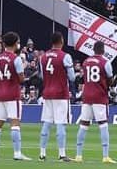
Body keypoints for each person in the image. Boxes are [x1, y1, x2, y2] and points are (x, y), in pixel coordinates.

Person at [75, 39, 116, 164]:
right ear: (103, 50)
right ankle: (105, 156)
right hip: (99, 96)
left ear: (93, 50)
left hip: (87, 95)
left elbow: (84, 78)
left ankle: (78, 155)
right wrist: (110, 82)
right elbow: (110, 81)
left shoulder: (86, 62)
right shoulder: (105, 62)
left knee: (83, 124)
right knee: (103, 124)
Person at [0, 31, 29, 161]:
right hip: (13, 94)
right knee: (15, 123)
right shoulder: (16, 59)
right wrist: (24, 68)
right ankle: (17, 153)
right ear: (15, 43)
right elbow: (21, 79)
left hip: (1, 94)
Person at [38, 31, 76, 162]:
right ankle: (61, 154)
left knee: (47, 122)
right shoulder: (65, 56)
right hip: (60, 93)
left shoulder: (43, 57)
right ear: (61, 41)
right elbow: (72, 77)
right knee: (61, 123)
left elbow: (42, 76)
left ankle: (42, 153)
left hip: (47, 92)